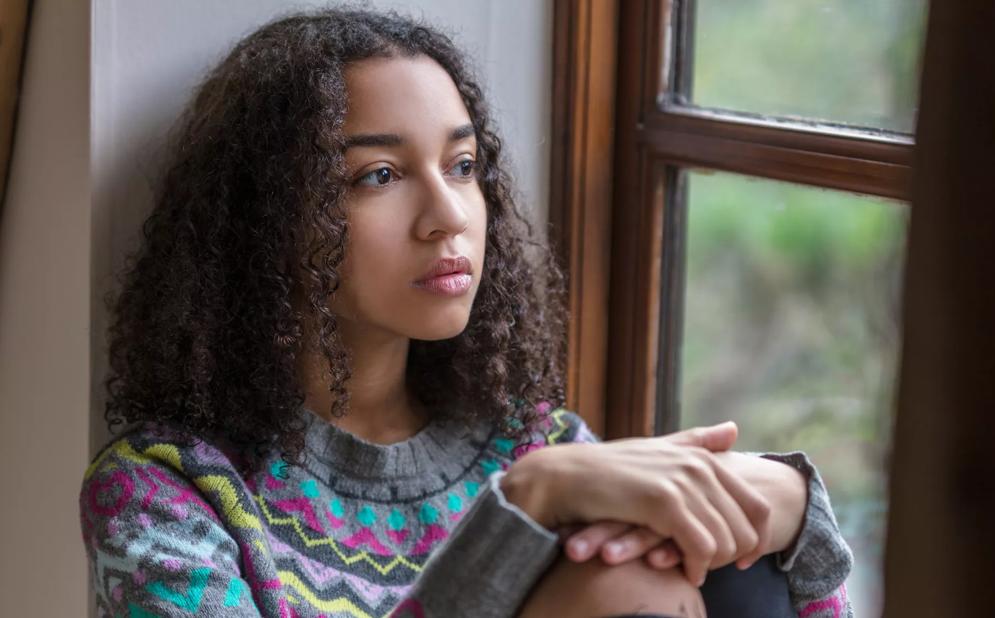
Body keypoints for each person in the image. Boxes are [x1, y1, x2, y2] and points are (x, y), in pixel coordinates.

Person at [79, 8, 853, 617]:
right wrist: (521, 508)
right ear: (265, 218)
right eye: (378, 175)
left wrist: (792, 513)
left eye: (462, 165)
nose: (448, 215)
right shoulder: (164, 495)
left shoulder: (536, 445)